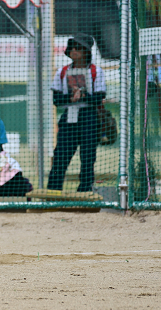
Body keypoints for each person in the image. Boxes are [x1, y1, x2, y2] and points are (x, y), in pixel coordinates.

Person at [47, 33, 106, 193]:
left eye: (78, 48)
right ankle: (53, 192)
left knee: (87, 158)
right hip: (69, 116)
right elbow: (56, 100)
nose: (74, 50)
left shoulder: (96, 71)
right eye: (71, 47)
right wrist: (71, 98)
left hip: (89, 117)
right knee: (60, 156)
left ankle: (85, 192)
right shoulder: (62, 71)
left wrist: (84, 95)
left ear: (86, 51)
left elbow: (100, 97)